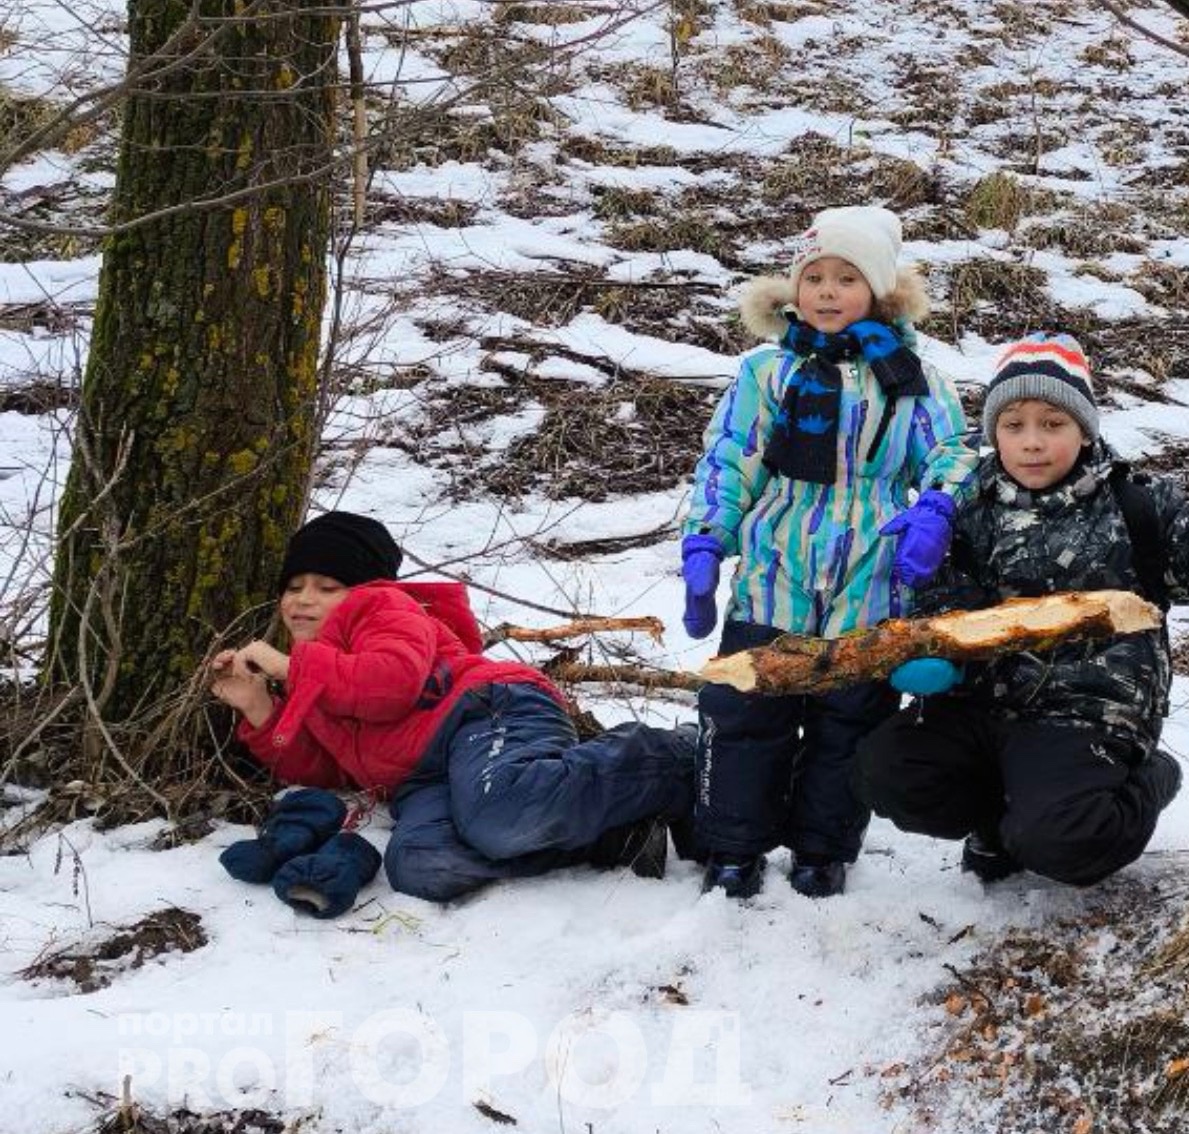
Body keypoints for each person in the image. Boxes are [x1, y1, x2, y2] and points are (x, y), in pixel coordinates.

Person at [853, 332, 1189, 887]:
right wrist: (935, 645)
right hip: (985, 708)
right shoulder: (963, 508)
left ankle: (1146, 781)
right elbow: (936, 596)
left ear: (1084, 429)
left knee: (1066, 840)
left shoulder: (1134, 506)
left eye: (1052, 424)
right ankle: (995, 822)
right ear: (994, 434)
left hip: (1087, 715)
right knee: (888, 768)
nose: (1032, 442)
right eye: (1014, 426)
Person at [680, 205, 977, 899]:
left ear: (878, 291)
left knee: (850, 718)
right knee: (748, 712)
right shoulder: (766, 371)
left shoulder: (910, 376)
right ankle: (734, 847)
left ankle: (823, 848)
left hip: (871, 569)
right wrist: (707, 542)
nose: (827, 292)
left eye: (847, 278)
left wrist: (935, 507)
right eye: (814, 276)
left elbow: (952, 453)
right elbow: (732, 460)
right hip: (775, 563)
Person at [209, 511, 697, 913]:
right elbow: (328, 767)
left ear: (362, 589)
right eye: (293, 587)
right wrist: (259, 705)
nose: (303, 600)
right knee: (419, 866)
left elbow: (392, 683)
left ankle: (674, 755)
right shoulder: (314, 671)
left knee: (498, 812)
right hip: (425, 780)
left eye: (326, 586)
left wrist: (293, 671)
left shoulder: (382, 610)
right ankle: (616, 836)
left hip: (486, 713)